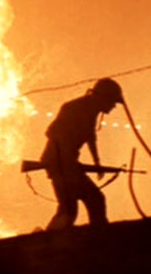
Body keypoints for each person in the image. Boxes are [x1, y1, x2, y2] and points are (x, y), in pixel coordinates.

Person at [40, 78, 124, 230]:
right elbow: (53, 133)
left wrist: (96, 162)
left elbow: (90, 137)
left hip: (66, 164)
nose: (113, 106)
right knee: (73, 207)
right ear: (102, 97)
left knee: (89, 202)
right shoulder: (73, 108)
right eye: (112, 101)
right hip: (59, 163)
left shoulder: (91, 111)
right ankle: (49, 241)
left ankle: (97, 237)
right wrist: (67, 161)